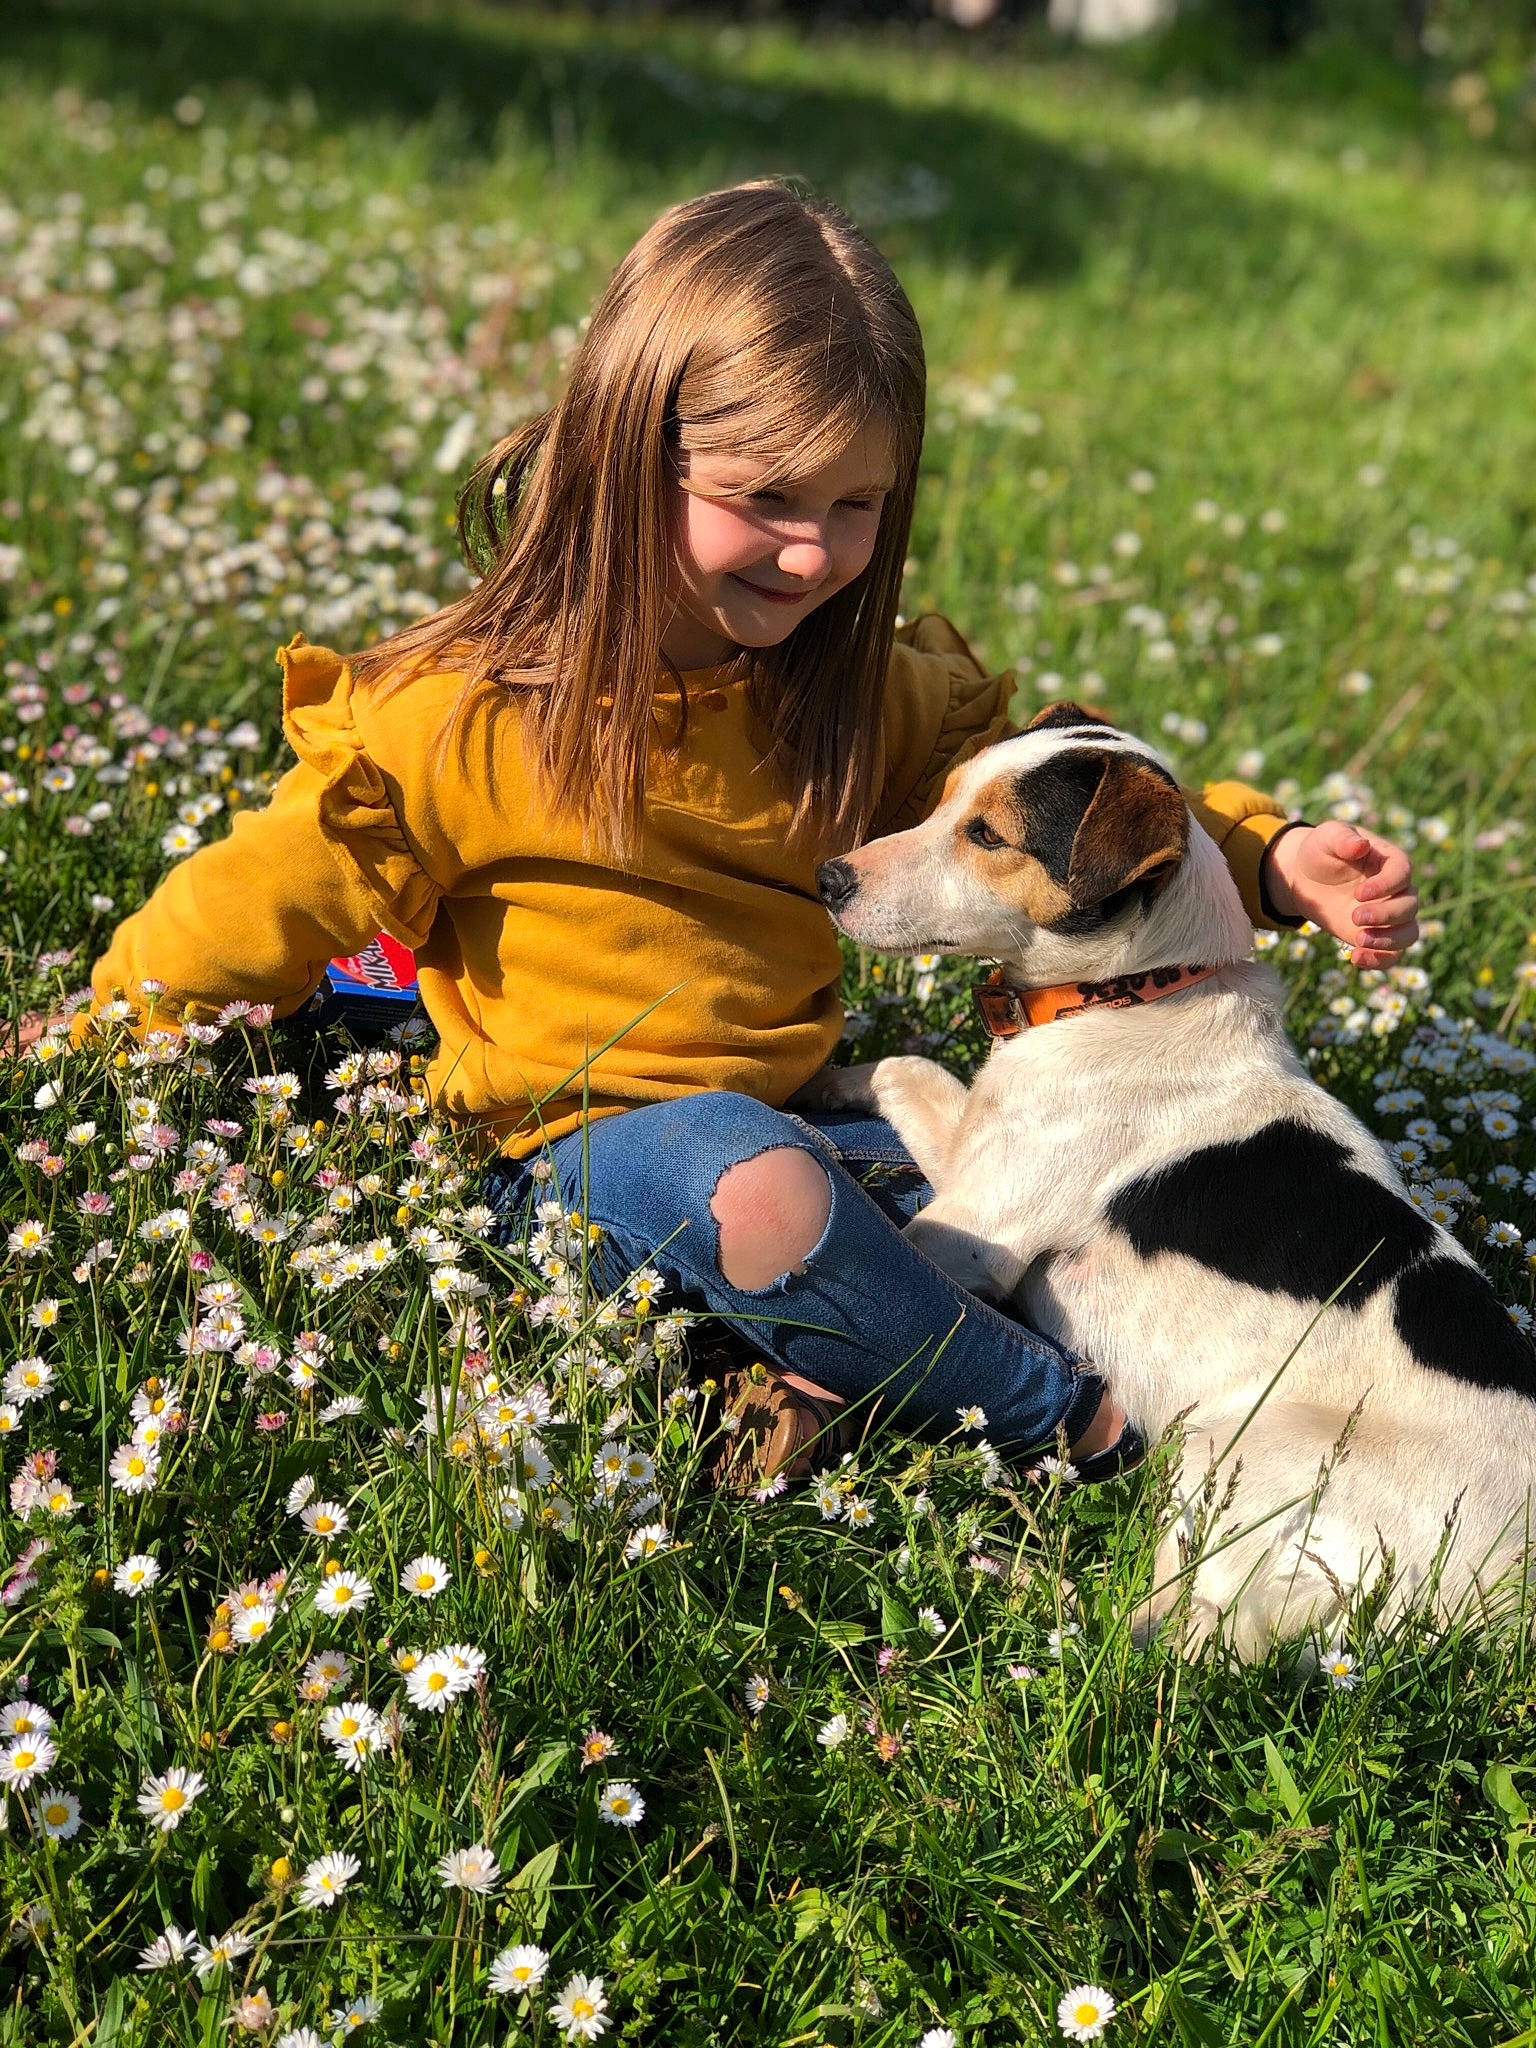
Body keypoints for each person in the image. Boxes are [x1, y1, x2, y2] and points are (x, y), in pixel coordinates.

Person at [50, 181, 1418, 1486]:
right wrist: (101, 1041)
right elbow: (257, 901)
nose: (814, 554)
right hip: (583, 1165)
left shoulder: (853, 692)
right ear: (622, 454)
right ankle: (1072, 1426)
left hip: (804, 1132)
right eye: (766, 498)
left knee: (1051, 1192)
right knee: (750, 1181)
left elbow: (1053, 805)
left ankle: (808, 1362)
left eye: (854, 505)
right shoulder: (461, 717)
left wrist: (1268, 856)